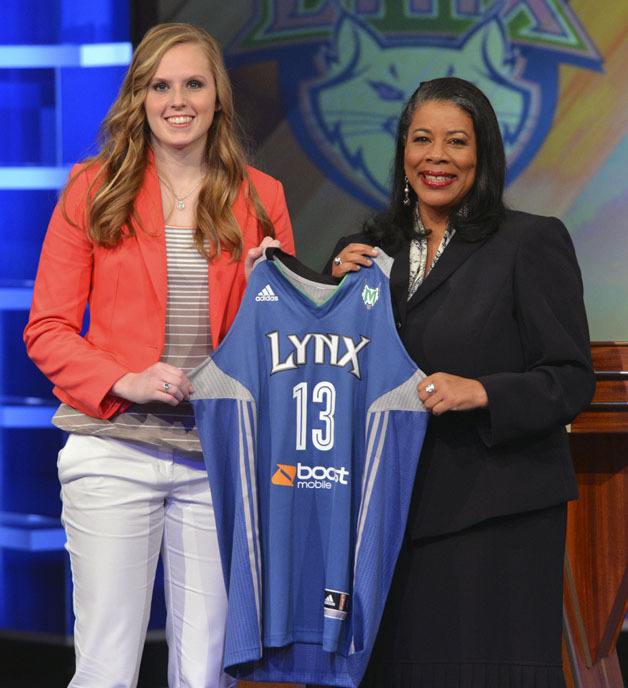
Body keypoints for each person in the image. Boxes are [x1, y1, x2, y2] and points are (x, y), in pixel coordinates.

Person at [24, 22, 294, 688]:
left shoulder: (262, 197)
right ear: (138, 98)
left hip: (219, 462)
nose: (179, 100)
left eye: (194, 84)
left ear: (217, 97)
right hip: (112, 450)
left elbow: (286, 347)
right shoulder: (93, 189)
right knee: (108, 669)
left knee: (207, 675)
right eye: (161, 84)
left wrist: (282, 289)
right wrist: (126, 379)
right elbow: (48, 329)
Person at [325, 77, 594, 687]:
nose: (436, 157)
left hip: (494, 520)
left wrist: (483, 392)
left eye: (456, 142)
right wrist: (327, 286)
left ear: (484, 154)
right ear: (402, 154)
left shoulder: (530, 241)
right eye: (422, 140)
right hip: (387, 522)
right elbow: (331, 369)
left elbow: (571, 377)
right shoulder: (363, 252)